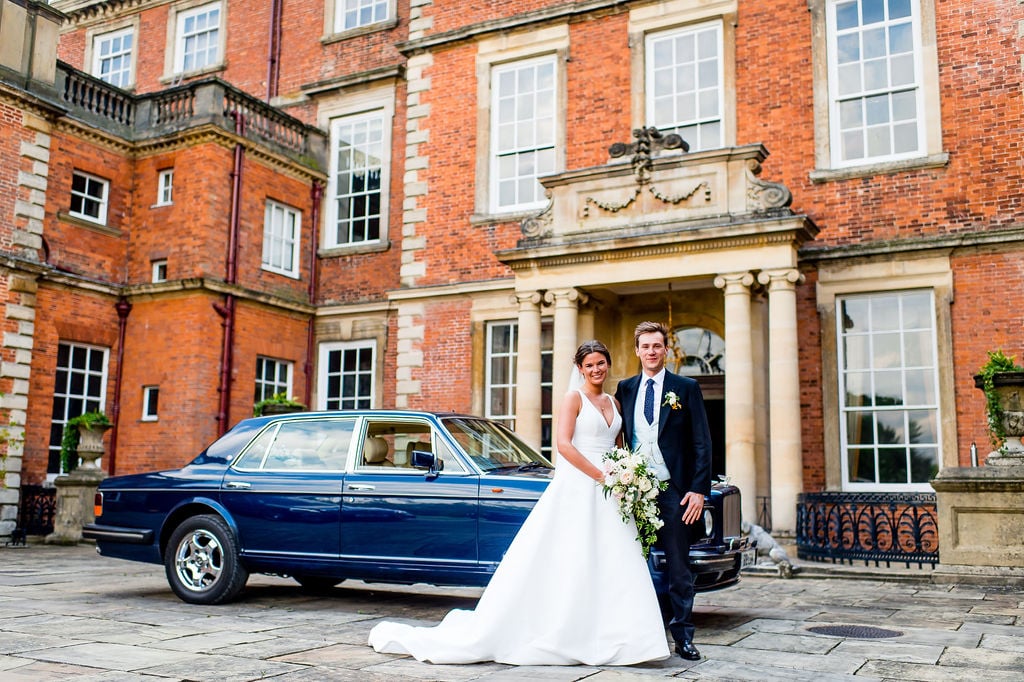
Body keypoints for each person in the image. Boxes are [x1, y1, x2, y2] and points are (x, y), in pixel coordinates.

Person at [368, 340, 670, 665]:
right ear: (580, 369)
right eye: (589, 365)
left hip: (612, 491)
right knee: (575, 556)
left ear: (607, 364)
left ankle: (625, 638)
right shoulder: (574, 398)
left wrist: (626, 473)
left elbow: (620, 444)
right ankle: (570, 632)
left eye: (600, 363)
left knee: (614, 558)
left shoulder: (614, 402)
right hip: (583, 485)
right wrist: (601, 476)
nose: (596, 369)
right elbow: (564, 445)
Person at [615, 321, 712, 662]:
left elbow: (702, 441)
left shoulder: (686, 388)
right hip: (634, 490)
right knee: (632, 562)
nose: (651, 351)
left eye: (657, 345)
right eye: (645, 346)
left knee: (679, 566)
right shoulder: (625, 388)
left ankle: (683, 637)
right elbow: (621, 438)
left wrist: (698, 490)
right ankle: (638, 633)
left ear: (666, 350)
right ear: (637, 350)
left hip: (674, 491)